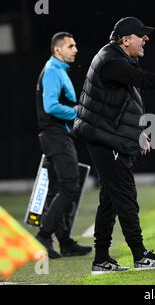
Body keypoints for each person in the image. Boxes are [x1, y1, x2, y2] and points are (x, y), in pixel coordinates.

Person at [74, 16, 155, 274]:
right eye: (140, 35)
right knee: (124, 194)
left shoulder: (117, 58)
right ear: (125, 40)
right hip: (103, 138)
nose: (146, 39)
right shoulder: (111, 61)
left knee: (110, 198)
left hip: (106, 135)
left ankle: (101, 260)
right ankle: (140, 255)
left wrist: (138, 133)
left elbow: (127, 102)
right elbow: (144, 80)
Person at [35, 32, 92, 258]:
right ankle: (43, 236)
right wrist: (77, 113)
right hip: (55, 136)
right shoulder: (52, 71)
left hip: (58, 135)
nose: (76, 49)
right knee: (69, 186)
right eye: (71, 46)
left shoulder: (58, 70)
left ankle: (65, 242)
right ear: (58, 50)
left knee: (63, 188)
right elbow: (50, 107)